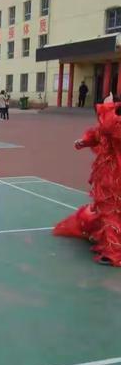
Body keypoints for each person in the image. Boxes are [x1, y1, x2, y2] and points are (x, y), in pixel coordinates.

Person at [54, 94, 121, 266]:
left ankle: (114, 252)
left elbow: (105, 129)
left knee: (111, 213)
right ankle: (107, 242)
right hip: (108, 176)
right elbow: (97, 134)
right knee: (108, 212)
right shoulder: (110, 125)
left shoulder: (113, 125)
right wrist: (83, 142)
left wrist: (108, 107)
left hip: (113, 179)